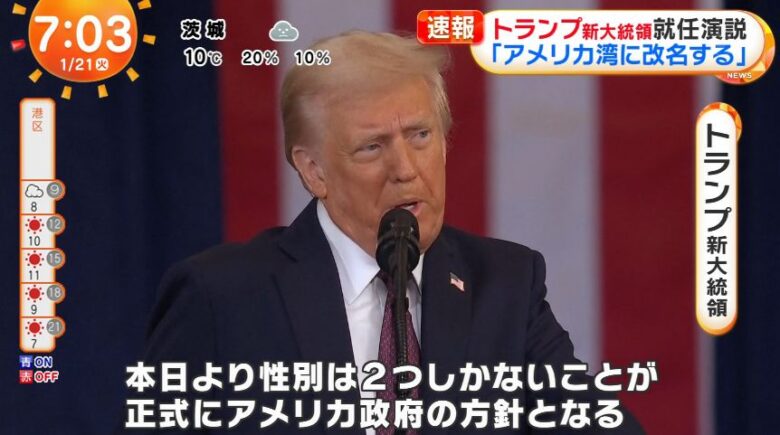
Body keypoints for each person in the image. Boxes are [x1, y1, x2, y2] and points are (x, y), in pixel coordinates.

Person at [138, 31, 644, 434]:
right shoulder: (222, 296)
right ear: (313, 171)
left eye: (420, 135)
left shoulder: (506, 284)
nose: (406, 169)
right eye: (372, 147)